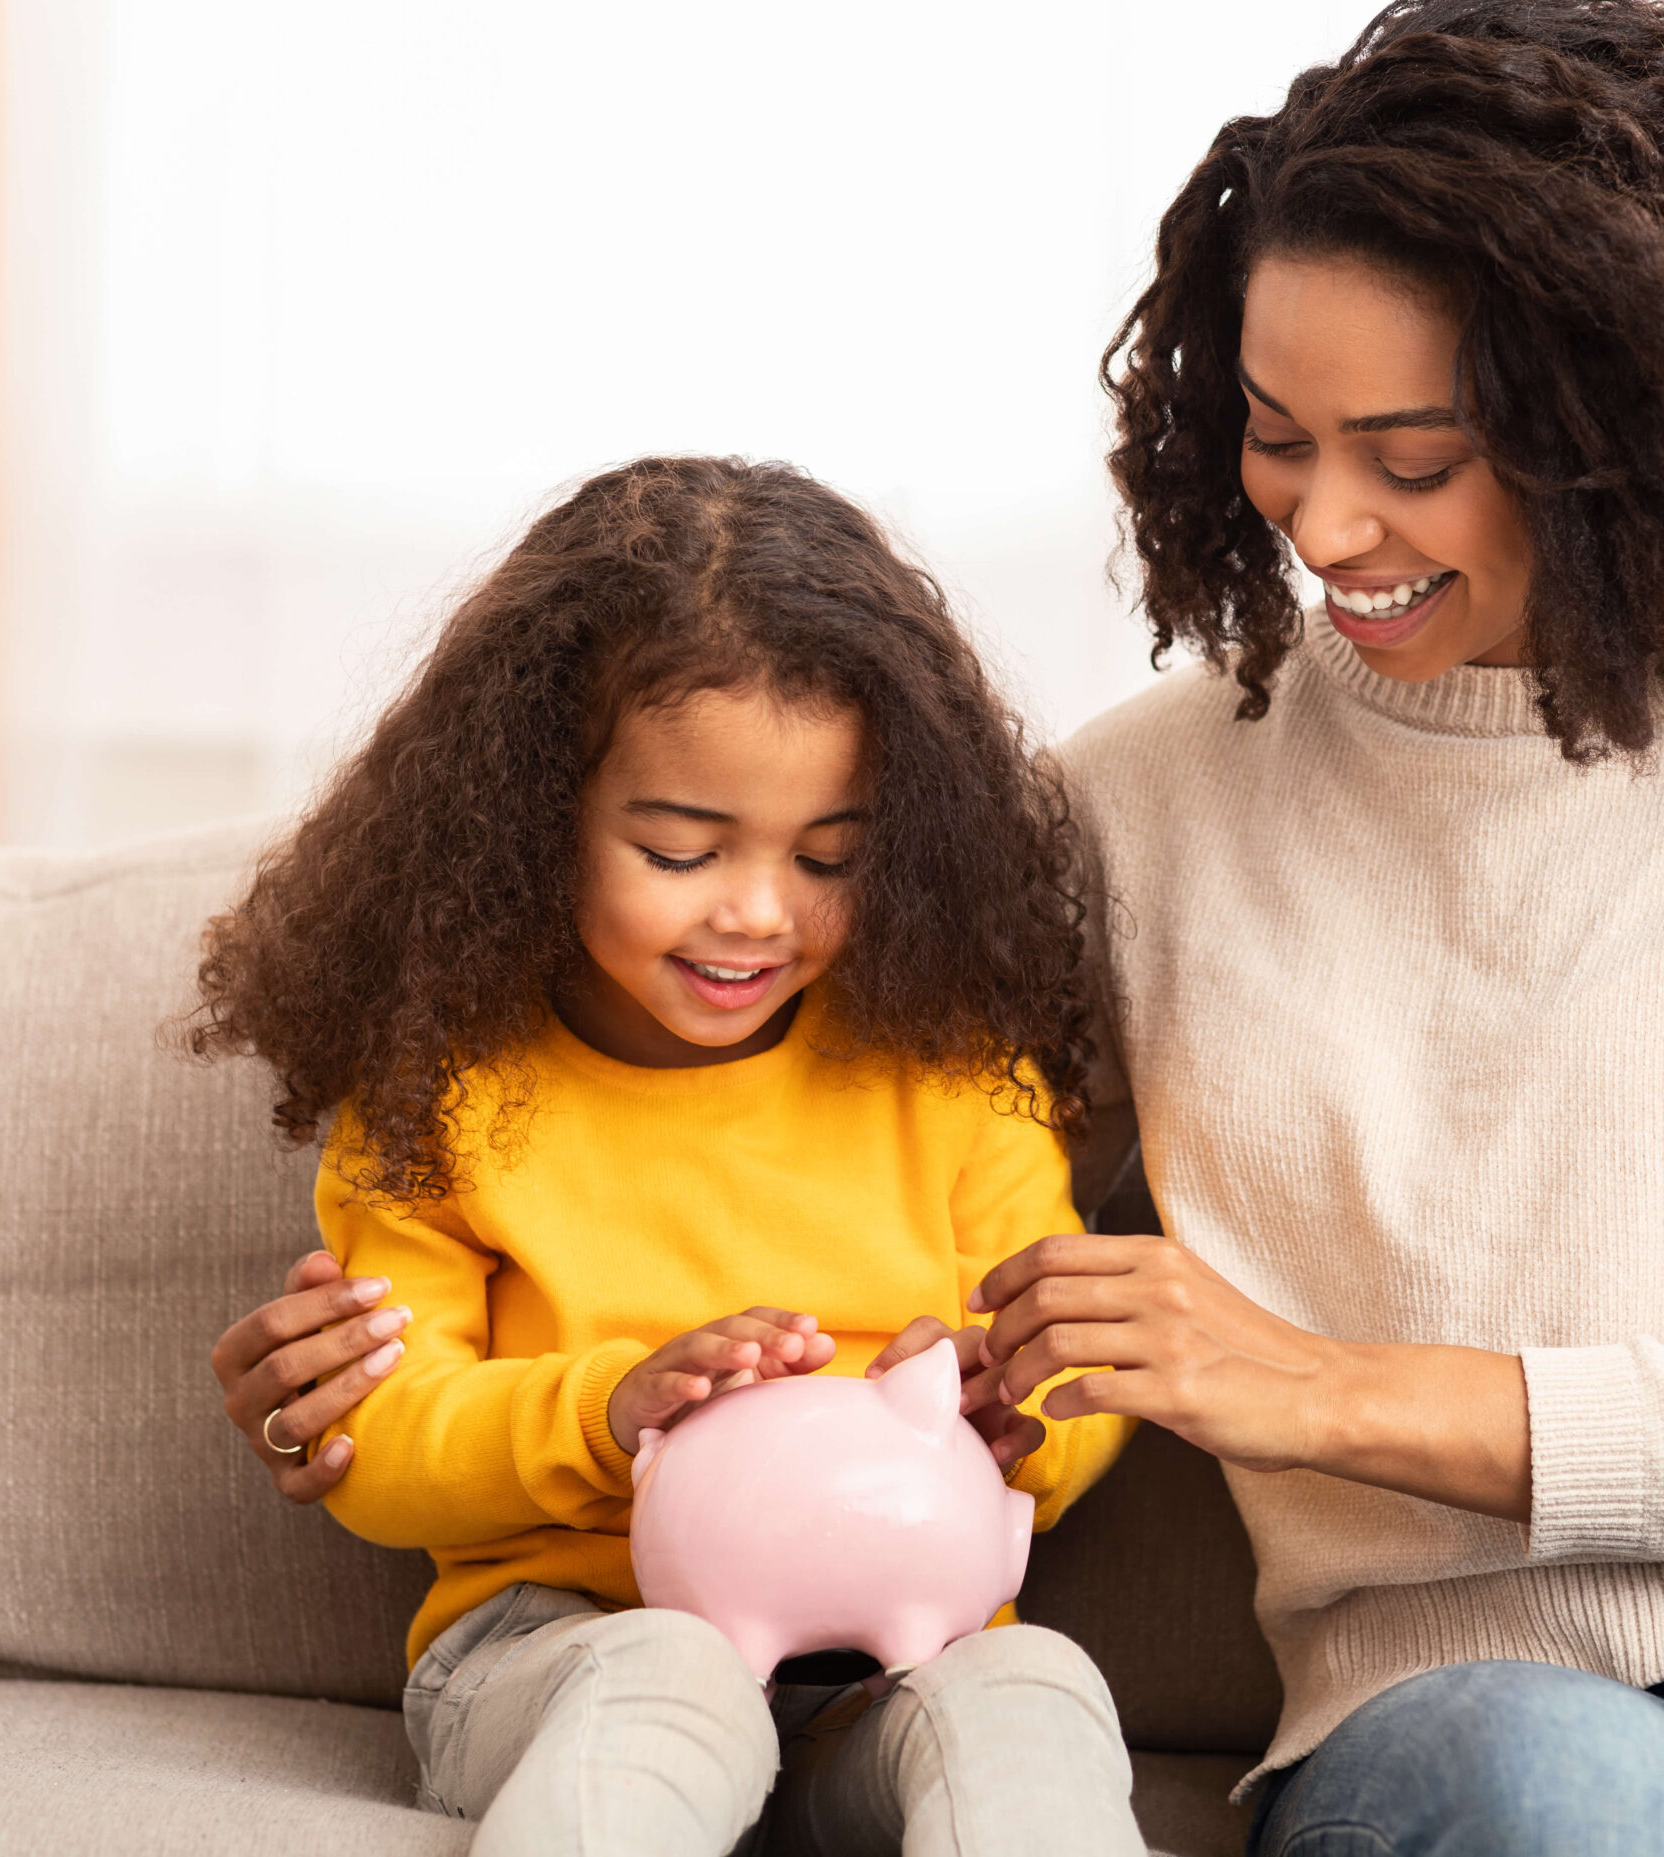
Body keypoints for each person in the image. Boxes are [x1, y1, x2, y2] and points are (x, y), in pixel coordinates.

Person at [219, 5, 1664, 1852]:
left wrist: (1310, 1382)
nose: (1324, 527)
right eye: (1277, 434)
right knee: (1558, 1796)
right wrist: (393, 1363)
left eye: (1413, 459)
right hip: (1440, 1673)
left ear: (1625, 418)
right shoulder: (1131, 811)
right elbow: (813, 1117)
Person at [193, 455, 1142, 1857]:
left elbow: (1076, 1367)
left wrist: (1024, 1425)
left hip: (903, 1653)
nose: (759, 913)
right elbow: (376, 1445)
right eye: (682, 848)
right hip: (565, 1649)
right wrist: (609, 1413)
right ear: (535, 819)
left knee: (1038, 1687)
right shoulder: (445, 1094)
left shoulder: (949, 1072)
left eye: (830, 857)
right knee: (669, 1675)